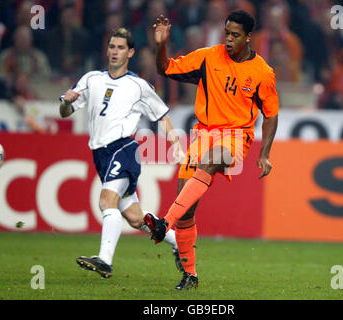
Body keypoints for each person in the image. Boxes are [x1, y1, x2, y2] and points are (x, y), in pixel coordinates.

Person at [144, 10, 279, 290]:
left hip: (235, 137)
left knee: (211, 160)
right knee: (187, 206)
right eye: (226, 33)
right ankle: (190, 275)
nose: (228, 40)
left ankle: (163, 224)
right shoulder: (208, 57)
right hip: (203, 133)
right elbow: (165, 68)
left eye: (235, 35)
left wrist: (264, 153)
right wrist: (161, 45)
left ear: (248, 37)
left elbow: (271, 114)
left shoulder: (262, 73)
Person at [59, 27, 185, 279]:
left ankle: (105, 260)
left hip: (123, 149)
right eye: (112, 47)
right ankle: (180, 244)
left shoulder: (137, 86)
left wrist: (177, 146)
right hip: (100, 154)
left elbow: (161, 115)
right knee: (135, 218)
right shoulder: (91, 79)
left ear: (131, 52)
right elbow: (65, 113)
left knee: (106, 202)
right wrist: (66, 101)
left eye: (120, 48)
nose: (115, 52)